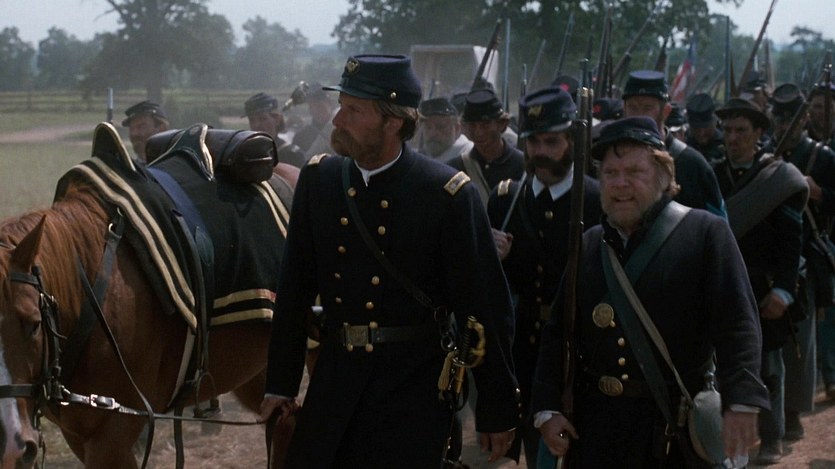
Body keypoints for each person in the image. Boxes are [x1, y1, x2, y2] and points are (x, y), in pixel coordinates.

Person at [259, 54, 520, 468]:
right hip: (335, 388)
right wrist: (280, 385)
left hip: (413, 396)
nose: (338, 120)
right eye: (341, 106)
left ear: (394, 121)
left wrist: (497, 407)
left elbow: (484, 310)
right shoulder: (320, 181)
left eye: (354, 110)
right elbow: (293, 292)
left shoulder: (447, 194)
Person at [532, 116, 769, 467]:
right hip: (597, 431)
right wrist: (547, 409)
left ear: (663, 176)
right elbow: (558, 333)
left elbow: (737, 325)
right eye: (610, 173)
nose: (620, 184)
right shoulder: (590, 244)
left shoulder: (705, 234)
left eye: (634, 172)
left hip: (672, 429)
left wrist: (741, 401)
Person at [487, 86, 602, 467]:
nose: (540, 152)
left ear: (572, 142)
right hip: (522, 346)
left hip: (580, 345)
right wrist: (492, 257)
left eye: (551, 142)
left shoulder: (596, 200)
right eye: (533, 142)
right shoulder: (506, 198)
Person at [712, 97, 809, 464]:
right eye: (727, 130)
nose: (732, 138)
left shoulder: (777, 178)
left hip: (762, 289)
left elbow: (791, 240)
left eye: (741, 130)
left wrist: (783, 290)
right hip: (722, 286)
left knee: (768, 367)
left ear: (758, 134)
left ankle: (771, 436)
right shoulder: (712, 174)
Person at [770, 84, 835, 445]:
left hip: (806, 258)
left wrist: (819, 192)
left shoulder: (822, 158)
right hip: (769, 259)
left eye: (791, 119)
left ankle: (793, 412)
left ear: (804, 118)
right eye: (779, 118)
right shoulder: (767, 155)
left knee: (801, 341)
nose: (785, 126)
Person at [621, 71, 726, 217]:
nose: (639, 115)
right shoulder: (614, 160)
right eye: (633, 107)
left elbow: (719, 223)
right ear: (624, 109)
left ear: (666, 111)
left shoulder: (692, 164)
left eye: (647, 108)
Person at [448, 88, 525, 205]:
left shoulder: (523, 166)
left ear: (502, 125)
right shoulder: (456, 168)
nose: (478, 132)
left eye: (485, 125)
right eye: (473, 125)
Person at [243, 92, 308, 168]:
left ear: (277, 119)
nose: (256, 125)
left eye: (262, 118)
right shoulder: (245, 154)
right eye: (252, 120)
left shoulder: (293, 155)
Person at [417, 96, 473, 162]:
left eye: (440, 127)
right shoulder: (422, 156)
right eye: (428, 127)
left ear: (457, 128)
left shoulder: (468, 156)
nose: (432, 133)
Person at [292, 83, 337, 158]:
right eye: (312, 107)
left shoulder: (342, 127)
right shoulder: (301, 136)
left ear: (330, 103)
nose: (315, 110)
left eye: (319, 106)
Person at [685, 93, 724, 164]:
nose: (701, 133)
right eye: (696, 128)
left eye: (706, 127)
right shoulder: (685, 144)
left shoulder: (726, 144)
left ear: (715, 122)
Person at [808, 83, 835, 148]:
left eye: (829, 106)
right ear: (809, 109)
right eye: (818, 107)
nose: (824, 111)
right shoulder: (799, 140)